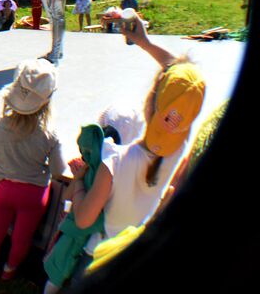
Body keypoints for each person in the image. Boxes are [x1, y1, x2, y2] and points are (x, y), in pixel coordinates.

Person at [43, 17, 205, 291]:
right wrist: (146, 43)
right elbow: (184, 85)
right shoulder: (179, 147)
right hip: (135, 252)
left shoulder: (114, 159)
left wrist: (80, 181)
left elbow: (83, 218)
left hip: (98, 258)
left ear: (150, 104)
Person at [0, 58, 65, 281]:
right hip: (34, 195)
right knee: (21, 238)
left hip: (2, 190)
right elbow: (58, 170)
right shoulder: (50, 134)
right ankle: (9, 271)